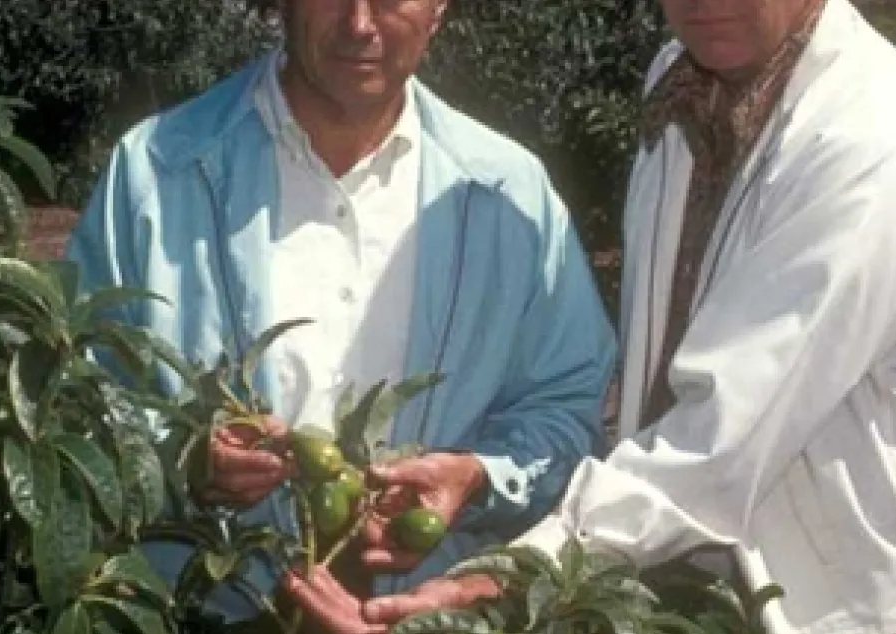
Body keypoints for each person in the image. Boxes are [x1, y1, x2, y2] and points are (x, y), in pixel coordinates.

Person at [289, 0, 896, 632]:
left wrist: (510, 574)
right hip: (698, 570)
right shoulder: (686, 75)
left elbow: (719, 439)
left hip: (839, 608)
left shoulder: (869, 150)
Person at [63, 0, 617, 625]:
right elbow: (79, 390)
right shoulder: (157, 172)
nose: (359, 23)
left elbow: (565, 406)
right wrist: (182, 457)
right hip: (199, 608)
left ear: (437, 9)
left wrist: (478, 478)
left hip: (423, 617)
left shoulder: (510, 194)